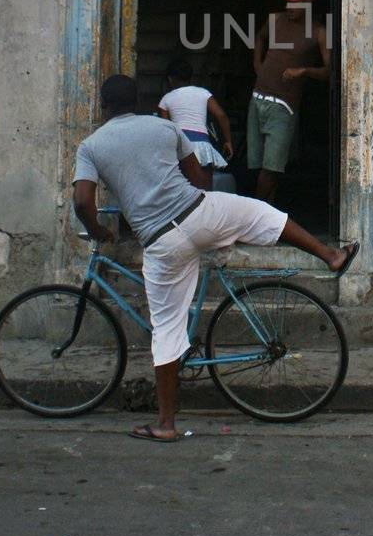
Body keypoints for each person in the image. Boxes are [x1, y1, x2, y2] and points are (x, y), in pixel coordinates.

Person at [73, 74, 356, 442]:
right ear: (140, 100)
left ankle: (166, 424)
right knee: (259, 213)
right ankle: (330, 255)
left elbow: (82, 202)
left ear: (103, 105)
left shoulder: (91, 146)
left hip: (162, 241)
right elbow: (200, 180)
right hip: (198, 213)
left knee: (167, 329)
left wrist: (99, 231)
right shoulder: (165, 128)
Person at [247, 0, 329, 203]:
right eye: (287, 1)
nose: (288, 7)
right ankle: (268, 217)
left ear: (307, 3)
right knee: (257, 164)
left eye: (294, 3)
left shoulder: (319, 32)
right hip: (257, 98)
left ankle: (254, 213)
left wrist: (303, 71)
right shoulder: (274, 20)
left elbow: (328, 72)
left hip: (284, 105)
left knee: (272, 168)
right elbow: (260, 37)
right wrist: (257, 63)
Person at [157, 57, 233, 179]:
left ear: (170, 79)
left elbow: (166, 128)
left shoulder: (166, 99)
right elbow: (221, 115)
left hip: (181, 147)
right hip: (203, 147)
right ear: (190, 77)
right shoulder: (203, 93)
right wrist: (228, 141)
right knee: (205, 193)